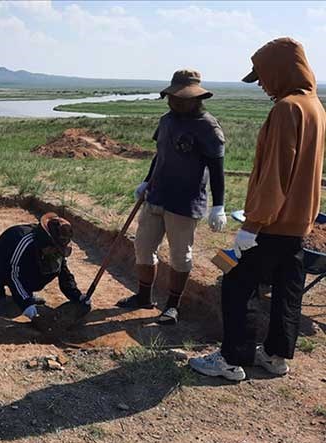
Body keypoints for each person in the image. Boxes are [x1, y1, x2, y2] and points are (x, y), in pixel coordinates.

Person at [190, 38, 325, 381]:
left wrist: (253, 224)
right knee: (287, 290)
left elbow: (276, 174)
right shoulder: (315, 107)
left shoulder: (287, 109)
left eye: (263, 76)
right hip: (297, 225)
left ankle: (232, 360)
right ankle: (276, 357)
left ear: (281, 69)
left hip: (272, 224)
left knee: (237, 283)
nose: (262, 84)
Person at [116, 69, 226, 325]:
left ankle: (173, 306)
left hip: (184, 204)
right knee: (143, 248)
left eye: (180, 98)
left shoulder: (208, 127)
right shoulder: (166, 120)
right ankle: (144, 297)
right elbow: (160, 154)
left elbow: (217, 169)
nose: (174, 102)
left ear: (195, 98)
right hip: (156, 196)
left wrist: (219, 205)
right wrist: (146, 181)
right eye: (172, 97)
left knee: (180, 256)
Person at [0, 212, 88, 323]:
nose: (56, 251)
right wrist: (27, 306)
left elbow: (64, 273)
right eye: (54, 247)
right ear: (46, 240)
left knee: (52, 266)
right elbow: (13, 276)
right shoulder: (25, 242)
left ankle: (26, 294)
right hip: (4, 267)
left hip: (23, 268)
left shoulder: (54, 251)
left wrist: (78, 296)